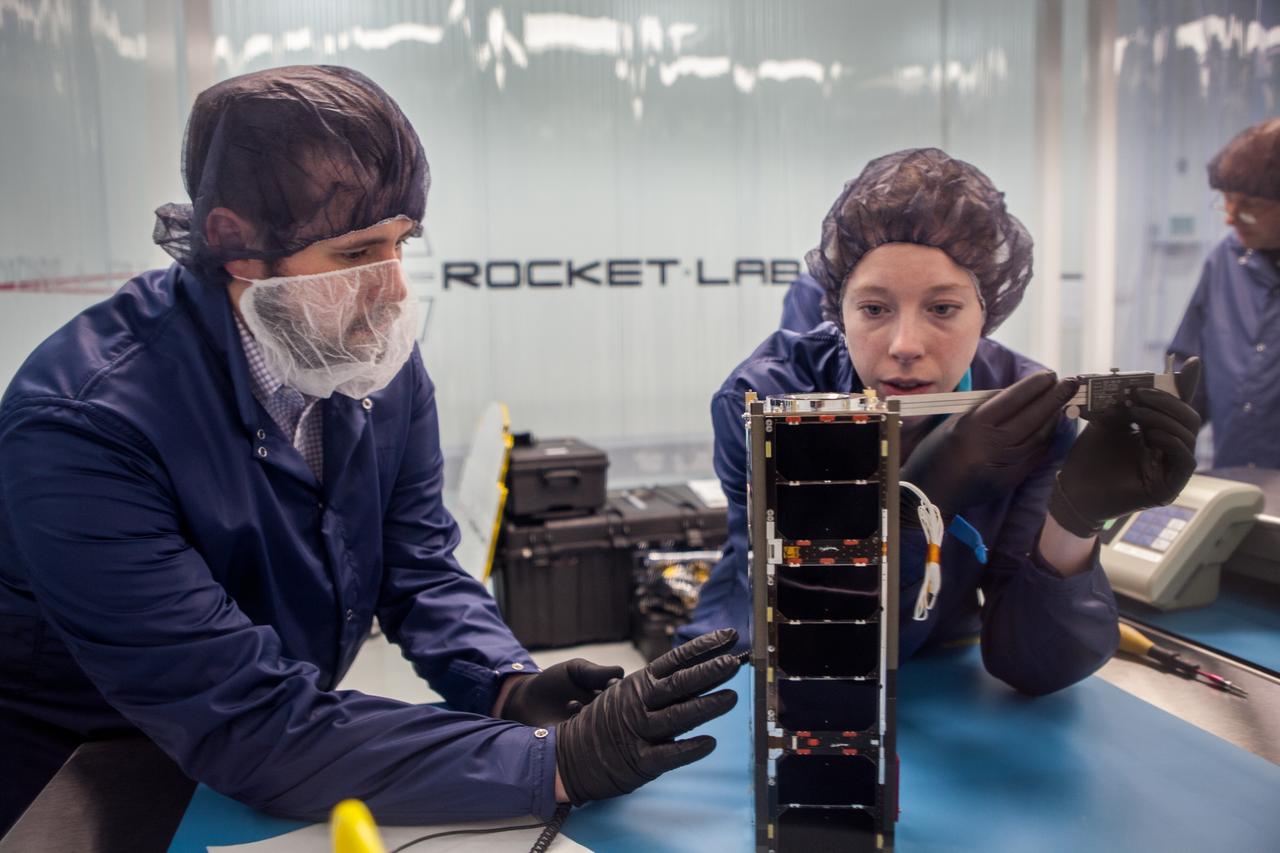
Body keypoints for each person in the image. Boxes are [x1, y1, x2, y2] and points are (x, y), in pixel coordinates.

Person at [0, 65, 738, 834]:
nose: (394, 291)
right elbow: (243, 714)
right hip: (82, 776)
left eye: (401, 243)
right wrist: (551, 764)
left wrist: (507, 684)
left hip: (274, 753)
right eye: (356, 254)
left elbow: (416, 564)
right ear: (234, 244)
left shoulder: (362, 355)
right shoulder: (83, 425)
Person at [680, 148, 1203, 696]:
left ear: (987, 310)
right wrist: (920, 503)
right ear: (839, 311)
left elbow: (1034, 665)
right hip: (757, 668)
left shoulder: (1027, 407)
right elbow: (814, 636)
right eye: (874, 309)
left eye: (943, 308)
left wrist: (1075, 521)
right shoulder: (770, 399)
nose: (905, 345)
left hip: (936, 664)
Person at [1168, 117, 1280, 470]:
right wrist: (1155, 445)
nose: (1231, 217)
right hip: (1237, 480)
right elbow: (1190, 378)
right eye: (1228, 200)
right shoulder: (1225, 262)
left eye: (1250, 205)